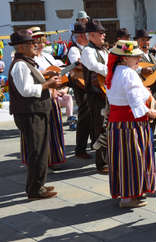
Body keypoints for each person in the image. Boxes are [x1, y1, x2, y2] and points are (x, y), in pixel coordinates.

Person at [105, 40, 156, 208]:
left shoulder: (114, 72)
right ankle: (129, 197)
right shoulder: (128, 73)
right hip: (130, 124)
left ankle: (127, 193)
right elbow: (134, 100)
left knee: (122, 158)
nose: (138, 59)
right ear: (123, 59)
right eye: (135, 57)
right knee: (133, 158)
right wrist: (150, 112)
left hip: (117, 123)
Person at [8, 30, 60, 199]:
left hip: (35, 112)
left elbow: (31, 81)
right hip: (29, 113)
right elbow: (26, 90)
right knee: (36, 151)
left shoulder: (26, 63)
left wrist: (46, 76)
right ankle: (34, 189)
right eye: (32, 43)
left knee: (40, 150)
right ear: (22, 47)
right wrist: (47, 84)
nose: (35, 46)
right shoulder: (20, 65)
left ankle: (39, 185)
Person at [30, 27, 67, 166]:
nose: (41, 44)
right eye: (37, 41)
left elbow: (59, 70)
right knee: (43, 131)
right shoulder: (29, 60)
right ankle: (44, 161)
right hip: (40, 98)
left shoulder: (48, 57)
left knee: (54, 128)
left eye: (42, 41)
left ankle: (54, 158)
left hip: (53, 96)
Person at [81, 19, 109, 173]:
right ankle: (102, 163)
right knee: (99, 127)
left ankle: (108, 158)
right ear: (91, 35)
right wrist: (110, 71)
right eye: (101, 33)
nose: (104, 35)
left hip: (106, 93)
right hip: (95, 94)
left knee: (107, 127)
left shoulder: (104, 50)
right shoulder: (87, 50)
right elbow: (94, 66)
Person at [68, 23, 93, 159]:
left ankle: (88, 146)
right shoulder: (74, 49)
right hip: (80, 86)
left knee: (91, 115)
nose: (86, 37)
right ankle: (80, 149)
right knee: (84, 117)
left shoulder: (87, 48)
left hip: (89, 84)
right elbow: (77, 64)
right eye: (85, 35)